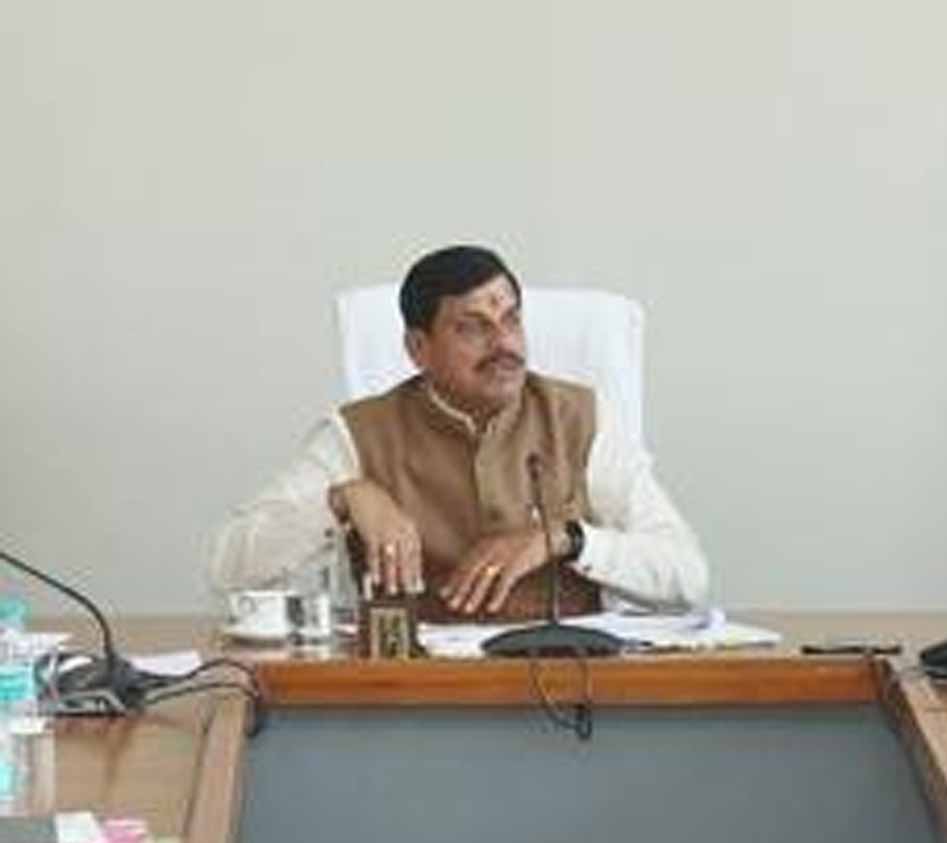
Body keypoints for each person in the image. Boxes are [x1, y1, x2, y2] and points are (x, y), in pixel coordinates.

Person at [206, 245, 708, 621]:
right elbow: (228, 564)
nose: (504, 343)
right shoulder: (359, 433)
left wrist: (567, 539)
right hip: (414, 694)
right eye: (472, 327)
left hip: (572, 686)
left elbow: (688, 576)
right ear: (418, 349)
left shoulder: (579, 417)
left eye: (511, 319)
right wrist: (343, 499)